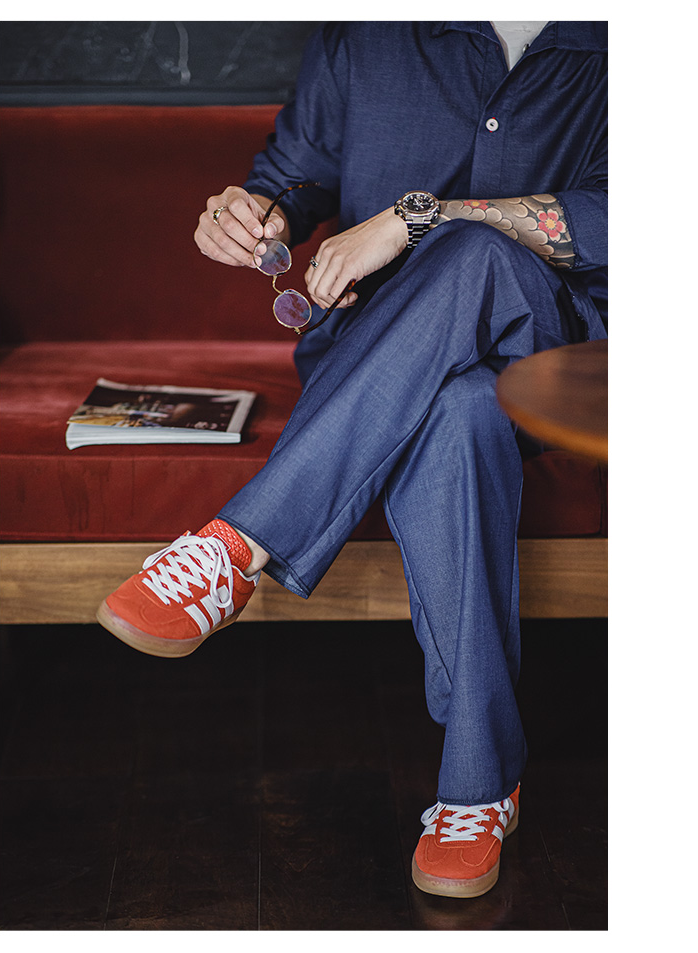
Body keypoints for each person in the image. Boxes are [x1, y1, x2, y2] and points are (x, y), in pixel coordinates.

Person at [96, 21, 607, 899]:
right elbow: (297, 173)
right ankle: (480, 783)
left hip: (553, 358)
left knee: (475, 250)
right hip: (385, 359)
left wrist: (418, 218)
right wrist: (259, 212)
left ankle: (236, 547)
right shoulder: (367, 30)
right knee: (457, 410)